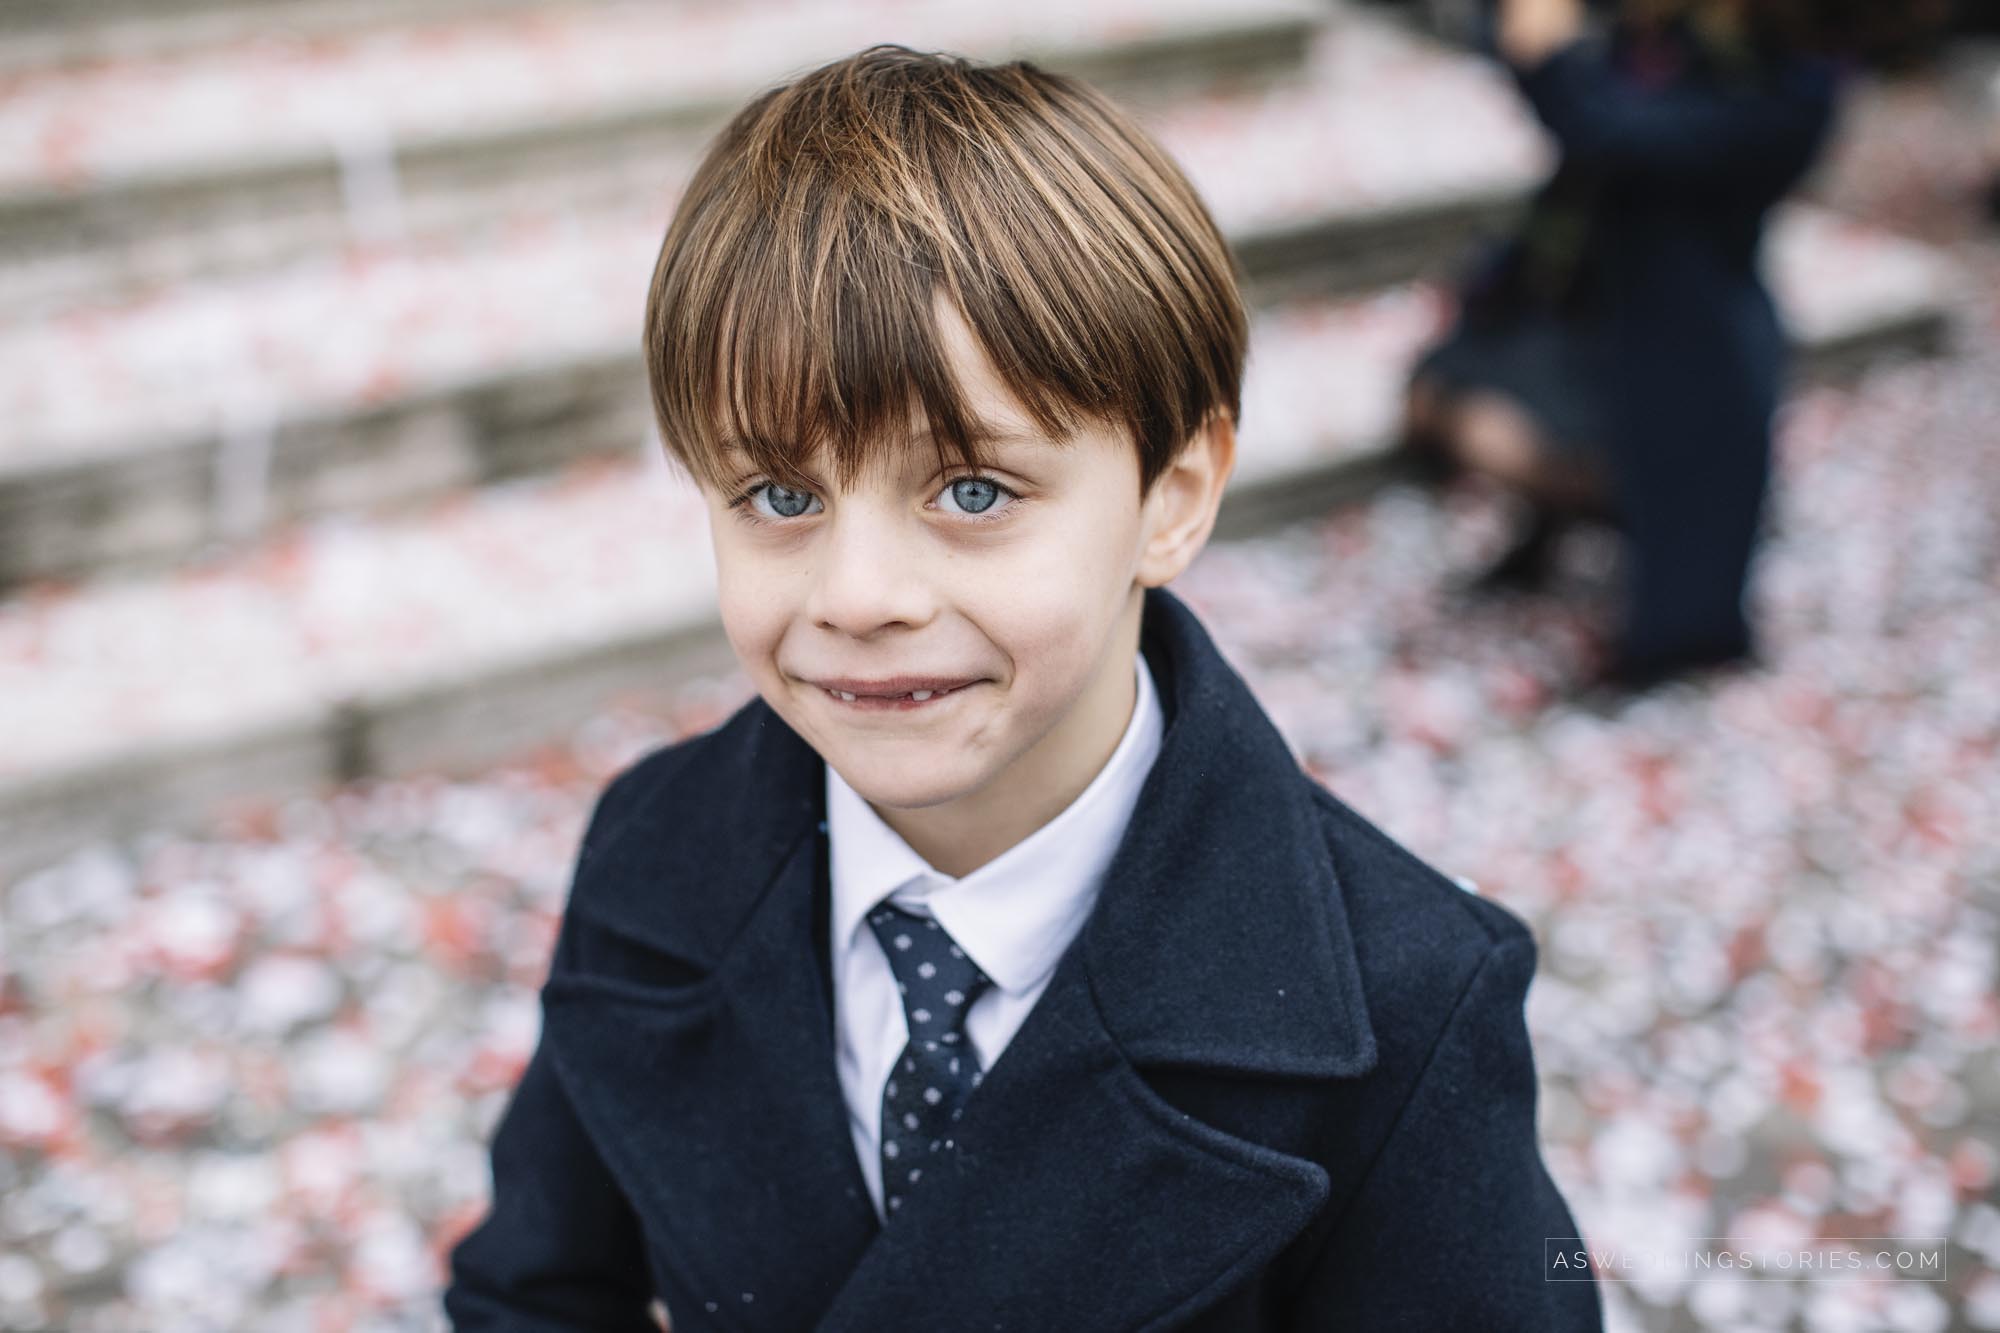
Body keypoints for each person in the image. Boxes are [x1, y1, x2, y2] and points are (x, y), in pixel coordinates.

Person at [442, 45, 1602, 1331]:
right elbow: (532, 1290)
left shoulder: (1402, 1008)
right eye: (780, 496)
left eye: (972, 491)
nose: (856, 594)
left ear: (1174, 497)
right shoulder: (658, 855)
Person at [1401, 0, 1851, 689]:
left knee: (1654, 496)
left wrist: (1549, 58)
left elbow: (1611, 132)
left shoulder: (1790, 84)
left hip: (1695, 355)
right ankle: (1596, 505)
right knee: (1447, 401)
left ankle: (1624, 515)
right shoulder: (1653, 44)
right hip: (1590, 321)